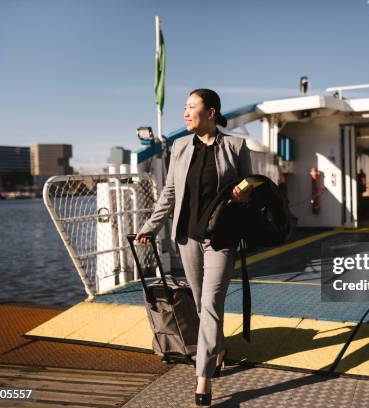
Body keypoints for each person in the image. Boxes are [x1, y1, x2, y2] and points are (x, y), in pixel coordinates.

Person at [136, 88, 253, 406]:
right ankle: (220, 348)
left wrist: (244, 197)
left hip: (222, 238)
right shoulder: (179, 146)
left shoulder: (236, 145)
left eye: (192, 107)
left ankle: (203, 381)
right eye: (184, 107)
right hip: (188, 237)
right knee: (202, 305)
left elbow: (251, 191)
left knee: (212, 305)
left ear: (211, 112)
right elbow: (169, 193)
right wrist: (149, 228)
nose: (186, 113)